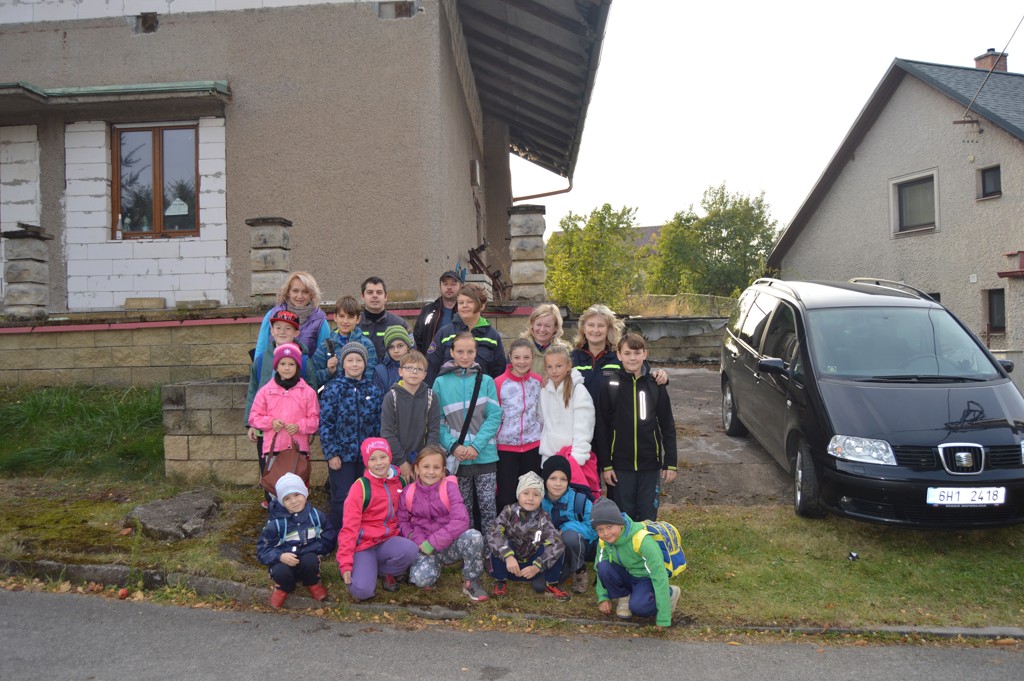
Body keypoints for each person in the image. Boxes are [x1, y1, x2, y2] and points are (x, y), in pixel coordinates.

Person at [594, 333, 677, 521]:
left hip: (650, 465)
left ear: (645, 354)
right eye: (627, 353)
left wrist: (670, 463)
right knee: (622, 519)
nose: (632, 358)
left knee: (648, 517)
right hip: (620, 467)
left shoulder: (655, 385)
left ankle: (646, 541)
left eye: (637, 353)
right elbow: (602, 428)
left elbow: (667, 426)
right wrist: (606, 465)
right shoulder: (610, 385)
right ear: (619, 355)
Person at [397, 444, 488, 601]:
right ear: (416, 469)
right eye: (426, 467)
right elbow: (403, 522)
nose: (431, 472)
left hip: (449, 545)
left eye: (436, 467)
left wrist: (433, 542)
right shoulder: (408, 493)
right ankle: (430, 567)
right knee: (421, 580)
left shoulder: (450, 488)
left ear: (443, 470)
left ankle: (472, 580)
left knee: (474, 536)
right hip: (423, 547)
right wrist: (419, 541)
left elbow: (461, 520)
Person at [433, 332, 502, 539]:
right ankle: (469, 548)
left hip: (485, 455)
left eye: (470, 352)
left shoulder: (487, 381)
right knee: (463, 510)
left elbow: (494, 416)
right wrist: (454, 446)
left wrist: (476, 446)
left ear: (476, 353)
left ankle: (492, 548)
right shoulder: (440, 383)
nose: (465, 356)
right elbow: (437, 421)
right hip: (457, 458)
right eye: (460, 351)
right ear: (452, 352)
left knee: (488, 507)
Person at [336, 438, 419, 601]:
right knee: (362, 591)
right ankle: (364, 567)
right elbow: (349, 527)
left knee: (411, 550)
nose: (379, 463)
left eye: (383, 457)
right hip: (364, 545)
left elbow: (407, 514)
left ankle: (384, 571)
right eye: (372, 459)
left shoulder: (400, 481)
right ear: (366, 463)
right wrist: (345, 562)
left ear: (390, 457)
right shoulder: (360, 487)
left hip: (388, 541)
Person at [245, 311, 311, 506]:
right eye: (278, 328)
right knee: (270, 470)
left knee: (297, 475)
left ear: (296, 332)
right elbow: (253, 391)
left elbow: (313, 396)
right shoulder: (260, 361)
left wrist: (305, 427)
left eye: (288, 328)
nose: (282, 332)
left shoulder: (306, 361)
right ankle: (272, 506)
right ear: (271, 331)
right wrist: (251, 424)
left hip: (297, 438)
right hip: (269, 434)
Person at [318, 342, 384, 534]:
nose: (354, 364)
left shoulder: (373, 391)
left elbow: (378, 425)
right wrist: (331, 454)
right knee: (342, 498)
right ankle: (339, 537)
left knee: (366, 496)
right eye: (350, 360)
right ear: (343, 364)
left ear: (365, 363)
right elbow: (326, 423)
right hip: (342, 456)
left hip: (366, 458)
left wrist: (376, 455)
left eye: (358, 360)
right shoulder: (332, 389)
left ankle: (363, 537)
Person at [592, 497, 681, 627]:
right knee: (604, 567)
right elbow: (599, 569)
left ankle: (670, 593)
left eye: (609, 527)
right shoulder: (604, 542)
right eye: (599, 529)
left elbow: (659, 576)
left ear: (620, 523)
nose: (605, 533)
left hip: (646, 579)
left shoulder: (643, 541)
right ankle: (625, 598)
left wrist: (663, 617)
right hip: (627, 574)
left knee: (640, 609)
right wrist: (603, 597)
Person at [486, 471, 570, 601]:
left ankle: (551, 583)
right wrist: (508, 556)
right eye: (526, 493)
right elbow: (493, 534)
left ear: (541, 498)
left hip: (533, 568)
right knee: (499, 541)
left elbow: (556, 543)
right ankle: (500, 581)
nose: (530, 498)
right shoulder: (508, 511)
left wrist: (538, 566)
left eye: (536, 494)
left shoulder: (543, 517)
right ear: (518, 494)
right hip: (510, 566)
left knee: (558, 546)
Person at [256, 473, 333, 608]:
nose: (294, 501)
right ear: (282, 502)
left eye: (297, 495)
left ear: (306, 493)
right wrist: (280, 556)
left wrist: (317, 550)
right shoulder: (276, 523)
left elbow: (328, 536)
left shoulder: (315, 516)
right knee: (280, 571)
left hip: (308, 555)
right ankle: (284, 587)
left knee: (310, 561)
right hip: (284, 558)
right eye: (287, 498)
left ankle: (313, 582)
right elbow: (263, 550)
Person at [570, 303, 669, 404]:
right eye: (591, 325)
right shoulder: (572, 358)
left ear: (609, 329)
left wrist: (659, 376)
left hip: (612, 414)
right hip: (580, 413)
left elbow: (641, 374)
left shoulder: (619, 356)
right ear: (583, 328)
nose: (595, 330)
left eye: (601, 325)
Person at [539, 344, 599, 497]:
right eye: (550, 366)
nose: (554, 371)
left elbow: (584, 429)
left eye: (559, 366)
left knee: (572, 504)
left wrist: (576, 460)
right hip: (549, 459)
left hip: (572, 462)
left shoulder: (578, 390)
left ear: (568, 365)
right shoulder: (544, 391)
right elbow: (542, 422)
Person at [494, 338, 543, 510]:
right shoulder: (499, 383)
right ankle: (505, 526)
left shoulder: (538, 381)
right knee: (506, 496)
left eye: (526, 357)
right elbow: (494, 415)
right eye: (517, 357)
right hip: (506, 448)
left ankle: (530, 526)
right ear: (510, 357)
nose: (521, 362)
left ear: (533, 358)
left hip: (533, 447)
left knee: (530, 495)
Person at [426, 283, 506, 384]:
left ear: (482, 305)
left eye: (470, 302)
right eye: (461, 302)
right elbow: (431, 368)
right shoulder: (445, 333)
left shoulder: (492, 336)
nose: (464, 306)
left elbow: (499, 372)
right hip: (450, 392)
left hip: (480, 391)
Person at [380, 350, 440, 481]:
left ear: (424, 375)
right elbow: (387, 432)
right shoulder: (391, 397)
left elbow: (434, 431)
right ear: (400, 371)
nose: (414, 372)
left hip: (424, 462)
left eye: (419, 369)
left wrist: (425, 461)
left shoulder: (431, 397)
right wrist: (402, 462)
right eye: (409, 368)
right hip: (397, 461)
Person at [540, 456, 596, 594]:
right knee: (540, 585)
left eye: (563, 479)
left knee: (569, 536)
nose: (558, 483)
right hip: (552, 549)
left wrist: (565, 528)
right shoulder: (538, 500)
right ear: (545, 479)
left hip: (578, 544)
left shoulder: (580, 501)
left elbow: (594, 530)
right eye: (553, 478)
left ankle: (579, 569)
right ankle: (561, 567)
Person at [253, 271, 330, 360]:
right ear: (288, 292)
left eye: (305, 292)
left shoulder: (320, 320)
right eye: (295, 291)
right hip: (272, 368)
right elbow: (261, 349)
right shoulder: (272, 315)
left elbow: (325, 356)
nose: (300, 296)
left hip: (307, 368)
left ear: (311, 294)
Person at [311, 295, 377, 389]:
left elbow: (370, 377)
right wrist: (329, 371)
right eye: (341, 316)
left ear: (358, 319)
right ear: (335, 317)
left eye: (350, 317)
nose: (345, 321)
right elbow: (313, 378)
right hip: (333, 396)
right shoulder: (326, 346)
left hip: (359, 395)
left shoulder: (367, 345)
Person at [359, 276, 409, 359]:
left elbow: (411, 354)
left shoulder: (399, 324)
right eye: (370, 292)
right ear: (362, 297)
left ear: (385, 297)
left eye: (379, 292)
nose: (375, 296)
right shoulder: (354, 323)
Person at [413, 270, 462, 354]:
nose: (449, 287)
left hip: (459, 359)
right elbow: (417, 338)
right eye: (445, 284)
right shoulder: (428, 311)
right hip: (431, 359)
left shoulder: (465, 311)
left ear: (460, 287)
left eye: (453, 284)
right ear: (440, 287)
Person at [520, 303, 565, 376]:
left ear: (555, 327)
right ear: (532, 324)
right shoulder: (519, 348)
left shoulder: (563, 352)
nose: (542, 329)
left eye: (547, 326)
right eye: (538, 324)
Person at [373, 325, 412, 393]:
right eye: (391, 347)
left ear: (408, 347)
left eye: (400, 346)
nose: (396, 351)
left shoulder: (418, 368)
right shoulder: (381, 371)